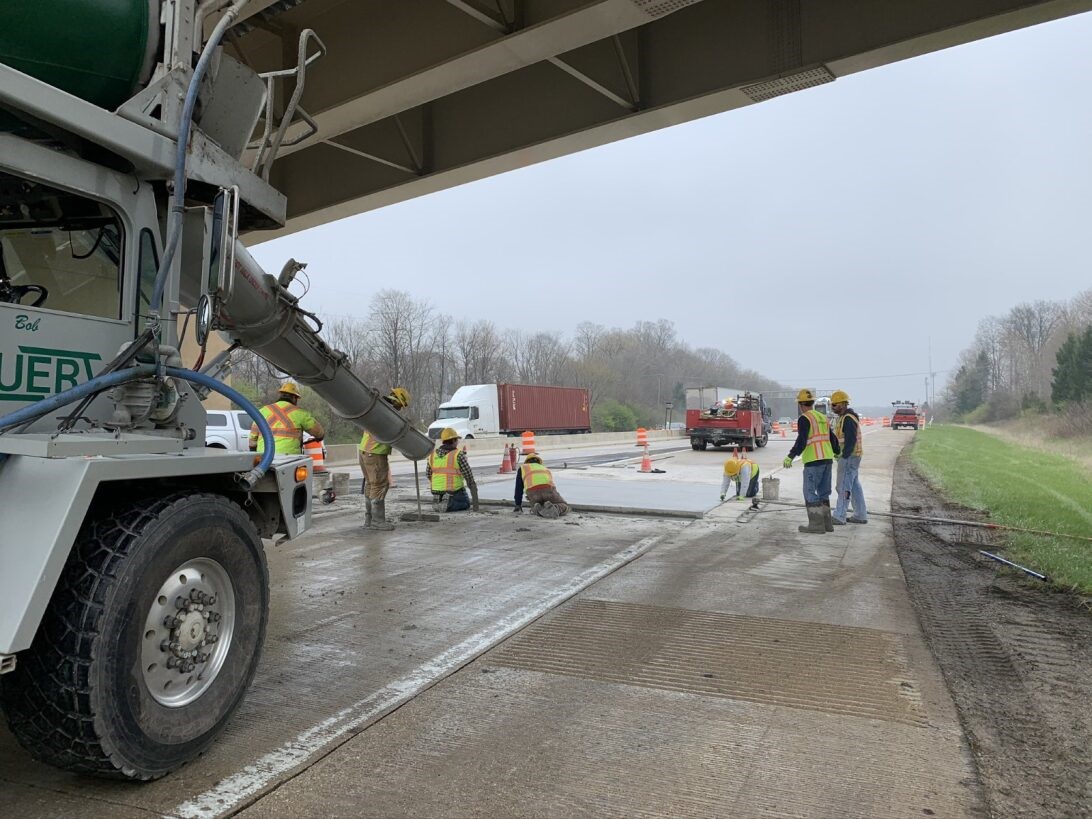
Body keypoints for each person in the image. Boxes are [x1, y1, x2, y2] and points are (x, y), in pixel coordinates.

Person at [782, 388, 840, 533]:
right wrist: (837, 452)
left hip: (814, 461)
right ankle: (827, 524)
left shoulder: (804, 418)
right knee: (824, 492)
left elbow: (801, 440)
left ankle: (816, 525)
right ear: (812, 402)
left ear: (801, 404)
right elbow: (832, 438)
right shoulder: (822, 417)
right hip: (827, 459)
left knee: (809, 492)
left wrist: (790, 456)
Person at [358, 387, 411, 530]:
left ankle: (369, 520)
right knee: (379, 486)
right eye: (401, 406)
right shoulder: (390, 413)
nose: (400, 409)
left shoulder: (378, 406)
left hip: (364, 451)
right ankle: (377, 521)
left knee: (370, 484)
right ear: (399, 402)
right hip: (375, 453)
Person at [249, 381, 324, 456]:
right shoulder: (300, 413)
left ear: (281, 395)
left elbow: (253, 439)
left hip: (265, 457)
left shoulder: (263, 411)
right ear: (294, 397)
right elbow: (318, 432)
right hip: (290, 459)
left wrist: (254, 452)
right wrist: (320, 436)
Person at [830, 389, 867, 525]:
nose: (832, 407)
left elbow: (851, 440)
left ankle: (839, 515)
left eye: (835, 405)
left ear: (843, 404)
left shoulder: (848, 419)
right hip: (852, 456)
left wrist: (843, 456)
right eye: (832, 405)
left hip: (850, 457)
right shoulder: (843, 418)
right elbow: (843, 439)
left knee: (843, 486)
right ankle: (860, 514)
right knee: (854, 486)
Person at [426, 427, 479, 512]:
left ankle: (439, 500)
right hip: (453, 491)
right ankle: (449, 504)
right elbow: (468, 475)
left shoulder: (432, 455)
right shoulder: (458, 455)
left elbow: (428, 474)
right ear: (453, 441)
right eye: (456, 440)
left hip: (436, 490)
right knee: (466, 503)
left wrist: (439, 484)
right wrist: (472, 487)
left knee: (443, 494)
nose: (457, 442)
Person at [513, 452, 570, 518]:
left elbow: (518, 488)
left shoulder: (523, 468)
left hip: (533, 494)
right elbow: (552, 485)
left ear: (527, 462)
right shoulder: (545, 469)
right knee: (564, 506)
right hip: (548, 491)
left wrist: (518, 505)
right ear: (539, 462)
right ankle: (555, 508)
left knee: (538, 505)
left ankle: (537, 509)